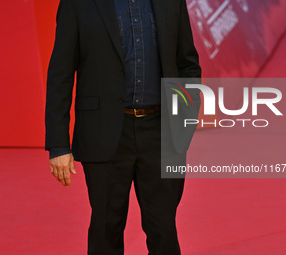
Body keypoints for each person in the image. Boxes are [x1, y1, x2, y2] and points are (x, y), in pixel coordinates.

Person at [45, 0, 202, 254]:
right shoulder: (78, 4)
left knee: (164, 231)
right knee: (106, 232)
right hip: (104, 133)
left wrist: (184, 122)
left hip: (161, 133)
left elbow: (188, 64)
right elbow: (60, 75)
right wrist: (58, 145)